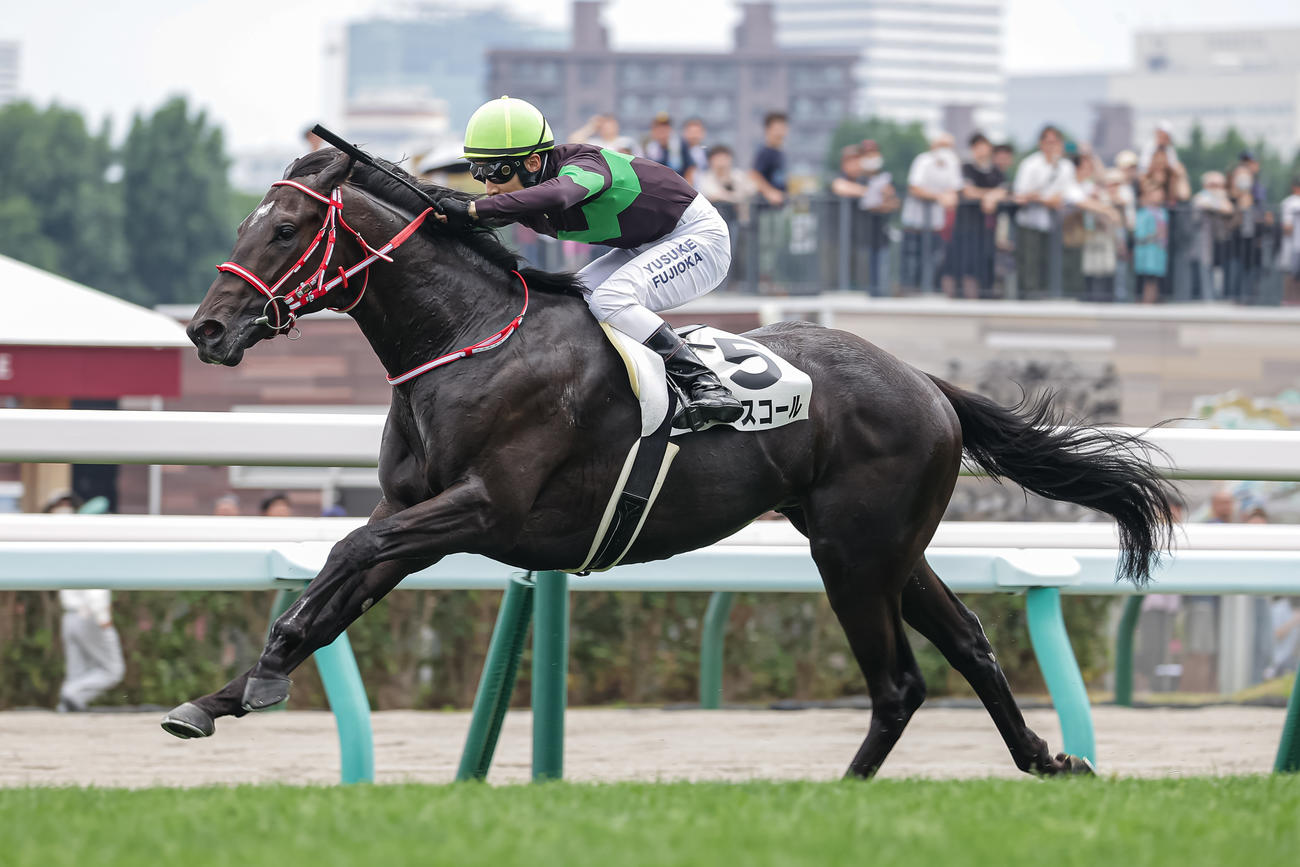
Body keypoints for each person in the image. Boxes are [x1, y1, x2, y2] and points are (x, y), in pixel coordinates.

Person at [439, 96, 743, 431]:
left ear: (533, 163)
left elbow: (559, 195)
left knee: (610, 298)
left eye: (497, 171)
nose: (489, 185)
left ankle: (706, 384)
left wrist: (472, 210)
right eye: (478, 171)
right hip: (646, 244)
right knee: (575, 300)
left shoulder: (582, 165)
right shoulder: (521, 197)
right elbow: (474, 216)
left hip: (700, 238)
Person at [46, 491, 124, 712]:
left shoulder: (69, 544)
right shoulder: (93, 545)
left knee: (76, 670)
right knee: (113, 670)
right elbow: (94, 587)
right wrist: (103, 617)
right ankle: (70, 694)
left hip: (69, 615)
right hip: (89, 614)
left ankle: (69, 703)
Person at [1013, 125, 1079, 297]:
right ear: (1041, 144)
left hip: (1055, 224)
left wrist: (1052, 199)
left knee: (1049, 261)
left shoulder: (1065, 166)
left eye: (1055, 142)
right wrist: (1045, 200)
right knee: (1029, 262)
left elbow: (1069, 193)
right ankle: (1028, 296)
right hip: (1030, 222)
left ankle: (1048, 293)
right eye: (1048, 142)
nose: (1052, 146)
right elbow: (1020, 194)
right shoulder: (1030, 164)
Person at [830, 140, 897, 295]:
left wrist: (882, 197)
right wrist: (871, 192)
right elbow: (839, 186)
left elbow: (889, 202)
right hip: (840, 240)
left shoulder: (873, 179)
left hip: (868, 238)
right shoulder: (843, 179)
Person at [900, 132, 962, 294]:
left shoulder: (953, 163)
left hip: (936, 224)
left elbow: (955, 189)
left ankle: (929, 291)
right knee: (912, 262)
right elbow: (915, 187)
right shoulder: (923, 161)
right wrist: (939, 196)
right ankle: (909, 293)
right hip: (915, 223)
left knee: (933, 260)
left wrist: (948, 197)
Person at [1134, 181, 1170, 304]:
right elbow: (1139, 235)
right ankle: (1145, 303)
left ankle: (1152, 302)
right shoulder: (1144, 213)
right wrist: (1154, 235)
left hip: (1159, 250)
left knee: (1155, 279)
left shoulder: (1162, 212)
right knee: (1147, 279)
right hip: (1147, 251)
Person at [750, 111, 788, 207]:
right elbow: (754, 175)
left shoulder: (779, 153)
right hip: (766, 207)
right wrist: (770, 193)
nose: (780, 132)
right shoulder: (765, 152)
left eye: (783, 128)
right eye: (777, 128)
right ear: (767, 130)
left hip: (779, 205)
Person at [643, 112, 692, 178]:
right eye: (658, 128)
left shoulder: (680, 145)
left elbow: (690, 168)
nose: (662, 132)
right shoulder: (649, 148)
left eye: (665, 128)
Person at [1281, 177, 1300, 305]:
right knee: (1292, 272)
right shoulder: (1290, 203)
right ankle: (1289, 299)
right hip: (1294, 243)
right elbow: (1287, 226)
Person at [681, 118, 708, 186]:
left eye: (697, 132)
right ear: (684, 133)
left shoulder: (707, 152)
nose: (694, 135)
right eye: (691, 132)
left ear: (703, 133)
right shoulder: (678, 153)